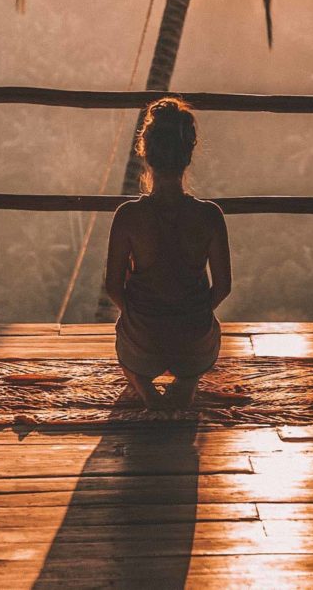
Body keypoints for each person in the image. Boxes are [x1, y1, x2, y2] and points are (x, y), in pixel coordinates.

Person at [104, 97, 232, 410]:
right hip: (193, 341)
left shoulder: (128, 216)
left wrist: (140, 315)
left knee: (128, 352)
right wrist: (193, 312)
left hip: (144, 339)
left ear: (145, 152)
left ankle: (144, 387)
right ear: (188, 153)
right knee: (200, 340)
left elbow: (112, 287)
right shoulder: (210, 216)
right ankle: (188, 380)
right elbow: (223, 286)